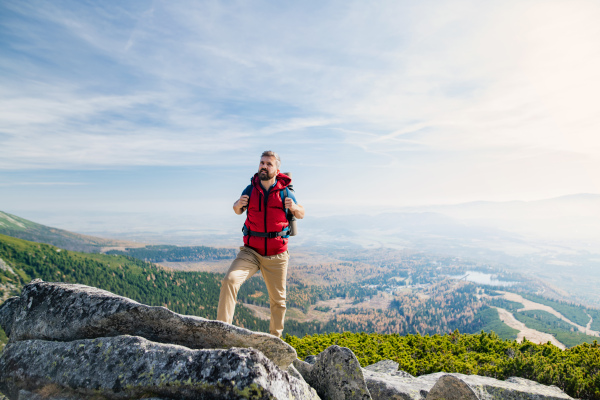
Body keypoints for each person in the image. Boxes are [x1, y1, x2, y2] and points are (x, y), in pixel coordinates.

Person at [216, 150, 305, 337]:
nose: (264, 166)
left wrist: (294, 207)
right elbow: (237, 210)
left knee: (278, 301)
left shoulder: (285, 191)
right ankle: (222, 332)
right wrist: (237, 203)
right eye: (262, 163)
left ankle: (275, 340)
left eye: (269, 164)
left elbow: (301, 213)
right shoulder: (250, 189)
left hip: (276, 255)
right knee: (229, 281)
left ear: (277, 169)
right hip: (250, 252)